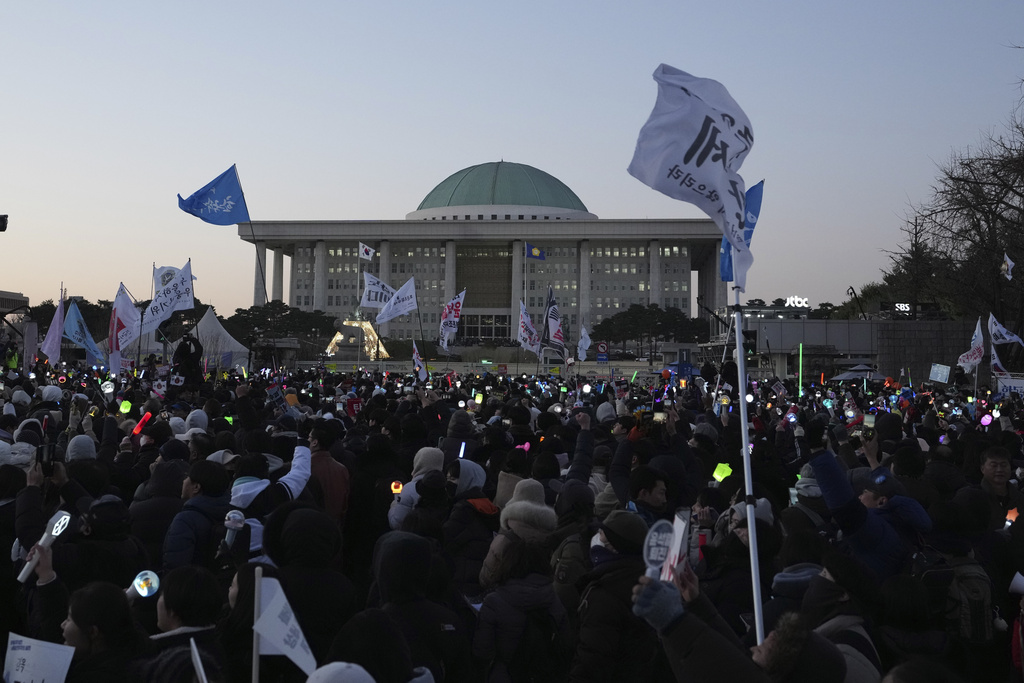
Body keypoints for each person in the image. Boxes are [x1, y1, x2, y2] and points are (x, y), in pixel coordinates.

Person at [163, 459, 231, 570]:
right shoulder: (231, 514)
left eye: (187, 477)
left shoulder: (185, 520)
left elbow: (176, 566)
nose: (184, 481)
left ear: (196, 487)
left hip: (192, 584)